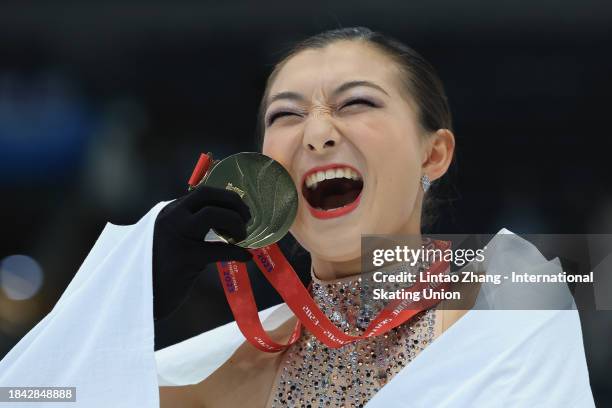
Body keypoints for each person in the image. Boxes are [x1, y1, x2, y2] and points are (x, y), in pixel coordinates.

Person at [0, 27, 595, 408]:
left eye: (357, 102)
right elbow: (27, 396)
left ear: (433, 153)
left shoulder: (514, 299)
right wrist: (127, 298)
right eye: (286, 115)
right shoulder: (235, 370)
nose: (315, 134)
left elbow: (582, 269)